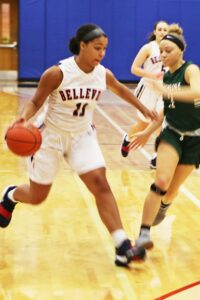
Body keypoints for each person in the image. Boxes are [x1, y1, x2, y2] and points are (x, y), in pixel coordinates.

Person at [0, 24, 157, 267]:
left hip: (82, 135)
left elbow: (121, 91)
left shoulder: (102, 73)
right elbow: (36, 101)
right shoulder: (57, 73)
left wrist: (144, 108)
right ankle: (10, 195)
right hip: (49, 137)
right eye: (97, 48)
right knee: (37, 195)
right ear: (82, 45)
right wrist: (24, 118)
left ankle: (122, 246)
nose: (101, 53)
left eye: (104, 49)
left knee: (101, 184)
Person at [128, 24, 200, 249]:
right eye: (161, 51)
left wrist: (166, 91)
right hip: (172, 134)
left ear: (180, 51)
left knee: (170, 192)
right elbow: (165, 111)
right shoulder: (166, 77)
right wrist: (147, 132)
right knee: (161, 181)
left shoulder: (190, 70)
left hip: (194, 139)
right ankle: (143, 234)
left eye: (168, 50)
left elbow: (197, 91)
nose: (163, 55)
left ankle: (165, 204)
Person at [121, 20, 169, 169]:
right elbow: (134, 69)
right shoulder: (148, 48)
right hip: (147, 88)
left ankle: (156, 157)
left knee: (162, 123)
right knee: (144, 124)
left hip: (163, 90)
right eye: (160, 29)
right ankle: (128, 138)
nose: (162, 32)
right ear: (155, 32)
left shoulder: (172, 49)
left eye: (165, 30)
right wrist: (152, 75)